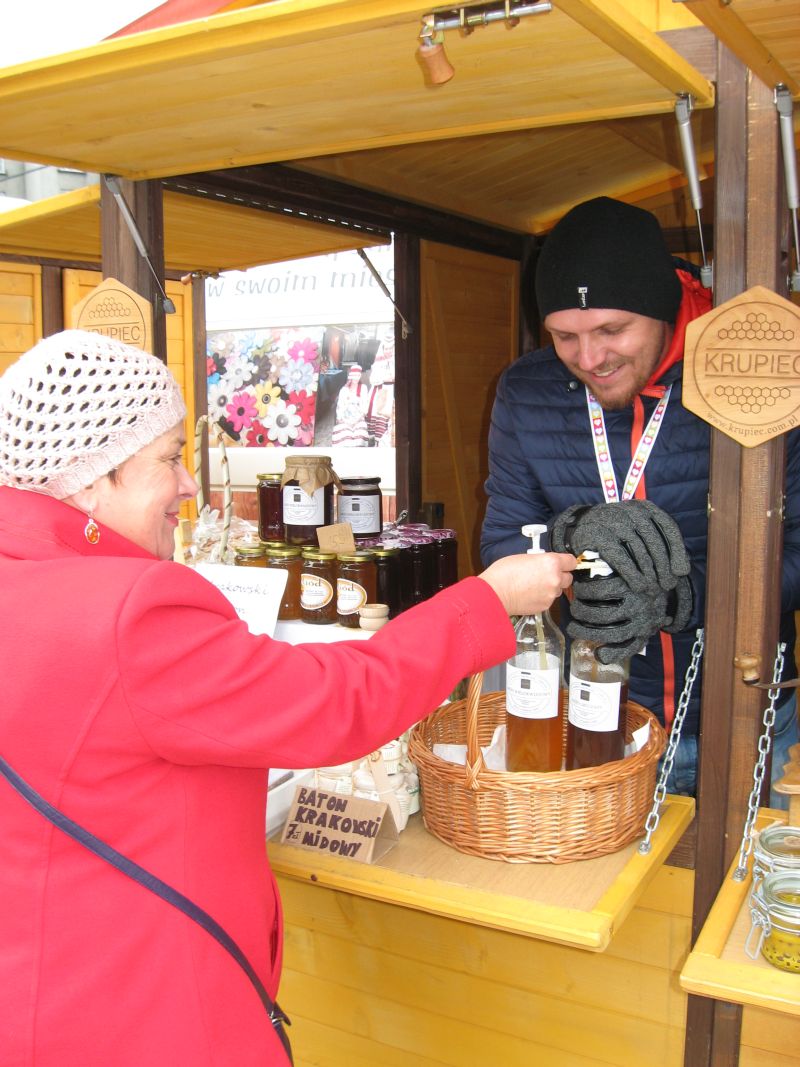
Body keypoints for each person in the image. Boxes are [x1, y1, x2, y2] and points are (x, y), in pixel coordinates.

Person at [0, 330, 575, 1067]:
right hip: (150, 1012)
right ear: (89, 478)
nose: (184, 485)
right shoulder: (129, 609)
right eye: (169, 458)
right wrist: (487, 600)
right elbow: (333, 703)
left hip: (36, 997)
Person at [481, 196, 800, 801]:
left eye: (612, 329)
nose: (591, 359)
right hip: (601, 719)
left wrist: (686, 596)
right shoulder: (526, 391)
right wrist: (573, 539)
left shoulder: (756, 374)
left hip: (746, 718)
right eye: (564, 337)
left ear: (665, 307)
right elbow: (503, 544)